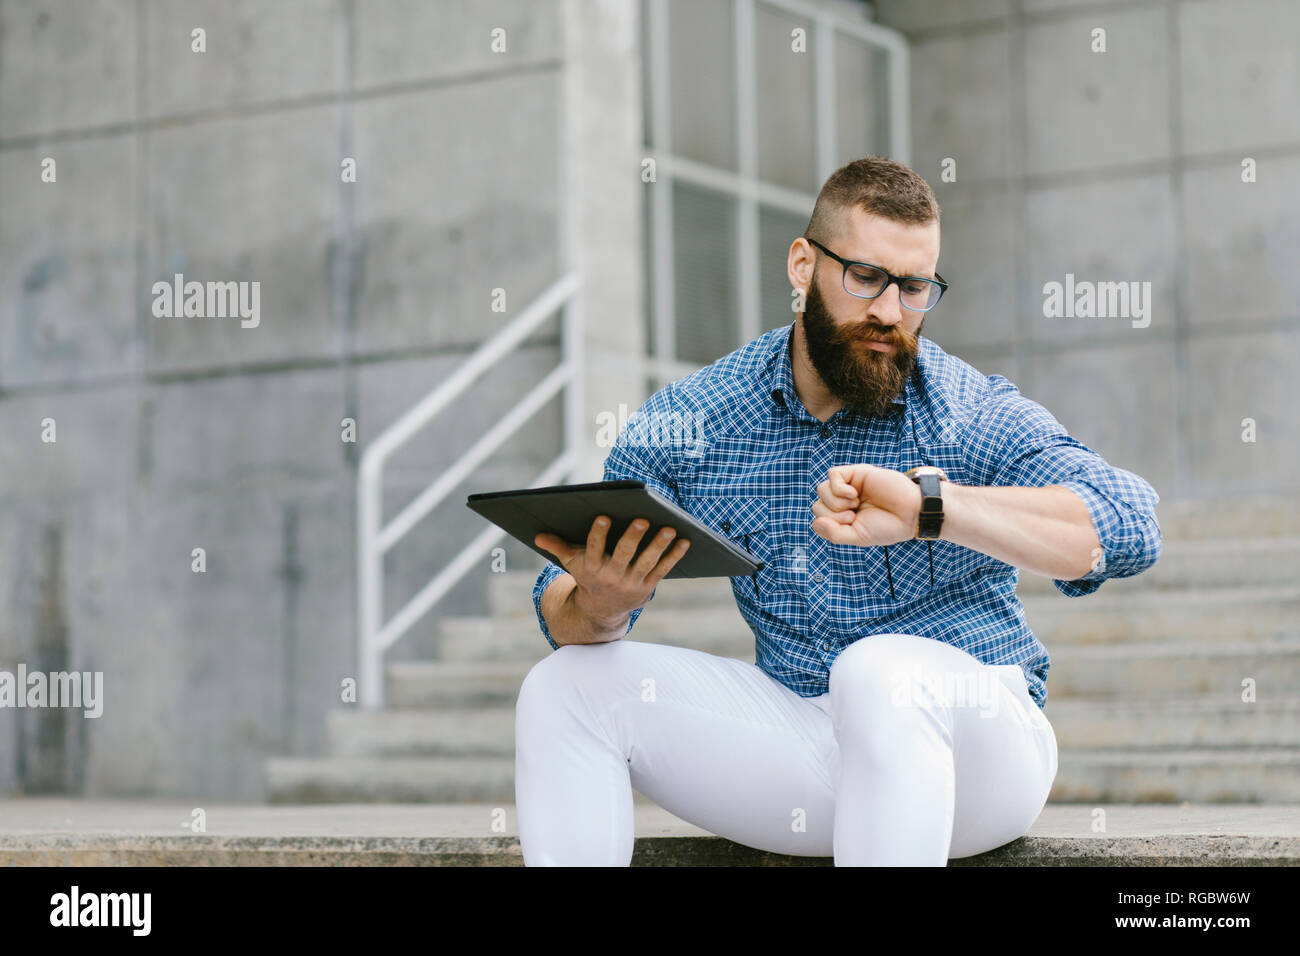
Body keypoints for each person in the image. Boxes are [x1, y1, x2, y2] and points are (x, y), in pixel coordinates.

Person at [516, 156, 1162, 866]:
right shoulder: (701, 415)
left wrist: (932, 509)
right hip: (808, 748)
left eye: (916, 287)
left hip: (980, 753)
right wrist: (601, 605)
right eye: (866, 277)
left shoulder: (962, 408)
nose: (890, 311)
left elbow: (1127, 522)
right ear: (802, 265)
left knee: (877, 673)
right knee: (562, 690)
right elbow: (561, 603)